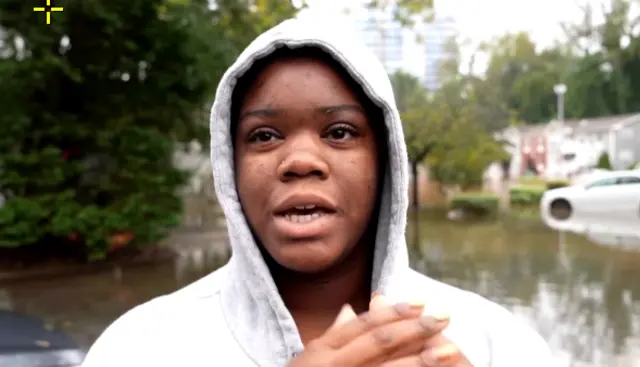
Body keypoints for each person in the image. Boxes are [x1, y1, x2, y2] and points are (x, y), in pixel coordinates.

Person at [81, 17, 553, 367]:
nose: (301, 161)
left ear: (386, 159)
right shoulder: (139, 347)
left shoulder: (496, 344)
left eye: (341, 132)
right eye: (264, 136)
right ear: (231, 168)